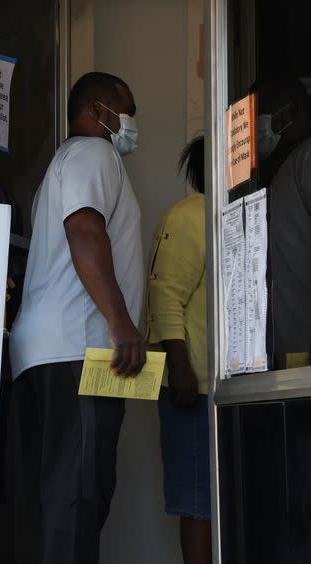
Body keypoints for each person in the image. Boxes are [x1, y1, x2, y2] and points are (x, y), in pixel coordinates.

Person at [9, 71, 145, 563]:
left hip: (52, 355)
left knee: (60, 503)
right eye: (126, 109)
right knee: (78, 499)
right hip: (79, 353)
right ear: (98, 109)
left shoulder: (65, 163)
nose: (131, 122)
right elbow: (85, 232)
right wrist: (120, 321)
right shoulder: (93, 153)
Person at [146, 135, 211, 564]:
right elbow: (165, 295)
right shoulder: (191, 216)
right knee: (198, 506)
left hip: (227, 387)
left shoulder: (237, 213)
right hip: (195, 388)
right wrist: (181, 371)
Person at [252, 78, 311, 369]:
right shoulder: (283, 166)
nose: (255, 126)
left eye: (263, 113)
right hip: (288, 351)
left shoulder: (306, 158)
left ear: (291, 112)